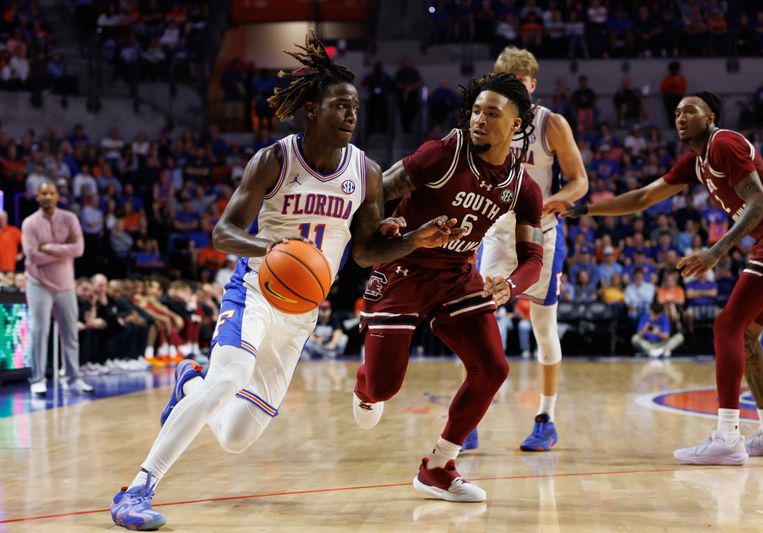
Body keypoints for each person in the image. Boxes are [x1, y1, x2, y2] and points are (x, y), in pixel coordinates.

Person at [108, 34, 462, 531]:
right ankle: (138, 488)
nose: (351, 115)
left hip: (302, 312)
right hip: (254, 290)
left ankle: (190, 386)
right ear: (312, 110)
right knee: (229, 378)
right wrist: (268, 250)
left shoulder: (367, 172)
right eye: (341, 106)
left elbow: (364, 251)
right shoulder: (274, 160)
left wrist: (416, 241)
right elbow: (223, 232)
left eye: (356, 107)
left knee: (234, 436)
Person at [558, 92, 763, 465]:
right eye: (676, 112)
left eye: (690, 110)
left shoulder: (724, 143)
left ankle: (729, 437)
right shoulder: (696, 162)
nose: (681, 117)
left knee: (726, 326)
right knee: (746, 334)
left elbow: (760, 203)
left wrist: (715, 251)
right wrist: (585, 209)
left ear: (711, 115)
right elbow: (643, 198)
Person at [352, 71, 545, 502]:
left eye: (491, 113)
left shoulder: (522, 187)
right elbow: (376, 191)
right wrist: (386, 223)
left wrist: (509, 287)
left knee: (493, 368)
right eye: (476, 110)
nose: (479, 119)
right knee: (383, 386)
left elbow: (533, 259)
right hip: (403, 267)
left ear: (516, 123)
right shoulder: (444, 154)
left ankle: (438, 465)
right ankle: (365, 388)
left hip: (457, 275)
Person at [470, 47, 588, 452]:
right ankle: (469, 417)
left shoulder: (550, 124)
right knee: (475, 318)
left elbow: (580, 182)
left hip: (541, 232)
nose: (513, 90)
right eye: (505, 84)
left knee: (543, 327)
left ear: (532, 85)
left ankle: (546, 418)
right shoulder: (487, 121)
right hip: (495, 230)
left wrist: (557, 199)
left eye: (520, 84)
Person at [21, 182, 94, 396]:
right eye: (43, 193)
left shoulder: (69, 218)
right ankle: (38, 379)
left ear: (57, 196)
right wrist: (65, 250)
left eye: (51, 193)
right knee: (38, 331)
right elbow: (32, 256)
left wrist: (49, 248)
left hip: (65, 285)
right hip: (38, 283)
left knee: (70, 333)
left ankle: (73, 379)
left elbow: (79, 249)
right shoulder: (30, 223)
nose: (47, 196)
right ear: (37, 197)